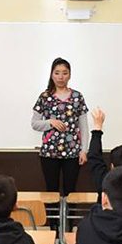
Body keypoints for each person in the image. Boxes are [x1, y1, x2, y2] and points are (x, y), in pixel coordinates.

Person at [30, 57, 89, 195]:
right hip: (49, 152)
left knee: (71, 192)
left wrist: (84, 150)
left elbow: (84, 127)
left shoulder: (77, 96)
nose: (61, 77)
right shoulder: (44, 96)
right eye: (57, 73)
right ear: (51, 74)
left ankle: (69, 217)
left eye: (64, 73)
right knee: (51, 192)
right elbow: (34, 123)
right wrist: (50, 122)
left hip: (73, 153)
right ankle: (51, 217)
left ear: (70, 74)